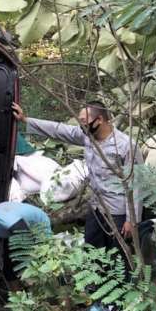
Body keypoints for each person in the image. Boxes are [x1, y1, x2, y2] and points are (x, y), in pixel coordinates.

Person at [12, 100, 143, 254]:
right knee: (92, 250)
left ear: (99, 120)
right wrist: (26, 120)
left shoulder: (126, 146)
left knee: (119, 254)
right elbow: (58, 130)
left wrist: (132, 220)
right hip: (96, 206)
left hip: (118, 212)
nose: (81, 126)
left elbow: (137, 184)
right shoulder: (87, 136)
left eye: (84, 121)